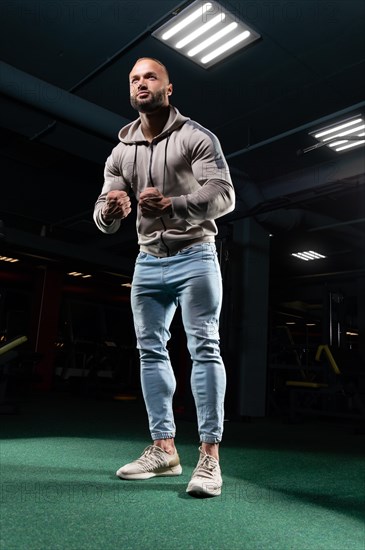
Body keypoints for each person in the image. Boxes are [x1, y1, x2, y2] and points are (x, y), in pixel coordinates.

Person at [93, 57, 235, 497]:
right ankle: (164, 450)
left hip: (196, 253)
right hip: (148, 260)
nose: (141, 83)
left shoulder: (196, 136)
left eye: (150, 77)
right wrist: (111, 212)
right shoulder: (120, 152)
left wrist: (174, 205)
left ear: (168, 89)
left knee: (204, 348)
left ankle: (209, 459)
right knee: (149, 352)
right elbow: (103, 209)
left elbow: (224, 195)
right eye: (134, 78)